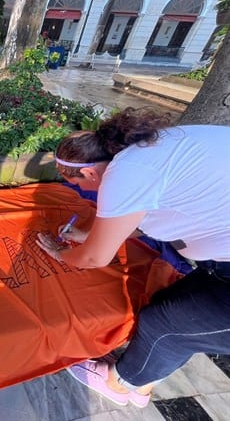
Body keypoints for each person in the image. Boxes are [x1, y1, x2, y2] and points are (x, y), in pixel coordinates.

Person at [35, 106, 230, 408]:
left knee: (163, 324)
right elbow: (146, 214)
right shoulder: (148, 146)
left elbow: (94, 259)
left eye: (78, 185)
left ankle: (119, 383)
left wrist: (61, 253)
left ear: (88, 172)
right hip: (221, 258)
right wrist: (88, 234)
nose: (82, 190)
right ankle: (143, 385)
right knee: (179, 309)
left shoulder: (123, 174)